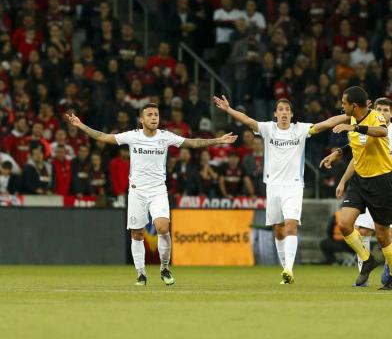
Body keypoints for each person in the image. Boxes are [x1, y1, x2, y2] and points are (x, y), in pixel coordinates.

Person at [65, 103, 237, 286]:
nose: (154, 117)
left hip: (158, 190)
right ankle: (141, 274)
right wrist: (80, 125)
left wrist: (218, 140)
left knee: (163, 228)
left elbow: (192, 142)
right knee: (137, 234)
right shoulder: (133, 136)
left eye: (156, 114)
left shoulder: (165, 137)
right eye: (150, 115)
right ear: (142, 119)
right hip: (137, 191)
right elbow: (103, 137)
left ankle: (164, 268)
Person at [214, 95, 348, 284]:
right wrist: (228, 110)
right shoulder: (268, 129)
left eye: (287, 110)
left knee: (291, 225)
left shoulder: (300, 130)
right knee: (278, 230)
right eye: (281, 110)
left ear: (292, 114)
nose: (284, 113)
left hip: (293, 186)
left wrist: (348, 115)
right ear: (275, 114)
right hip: (273, 186)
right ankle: (285, 268)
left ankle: (288, 269)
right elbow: (247, 120)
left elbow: (326, 123)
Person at [320, 87, 392, 290]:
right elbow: (356, 147)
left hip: (381, 180)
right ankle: (367, 260)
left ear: (354, 105)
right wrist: (338, 153)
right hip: (360, 181)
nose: (342, 106)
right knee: (344, 224)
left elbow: (382, 131)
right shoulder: (352, 120)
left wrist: (354, 129)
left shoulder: (375, 116)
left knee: (382, 234)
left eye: (344, 103)